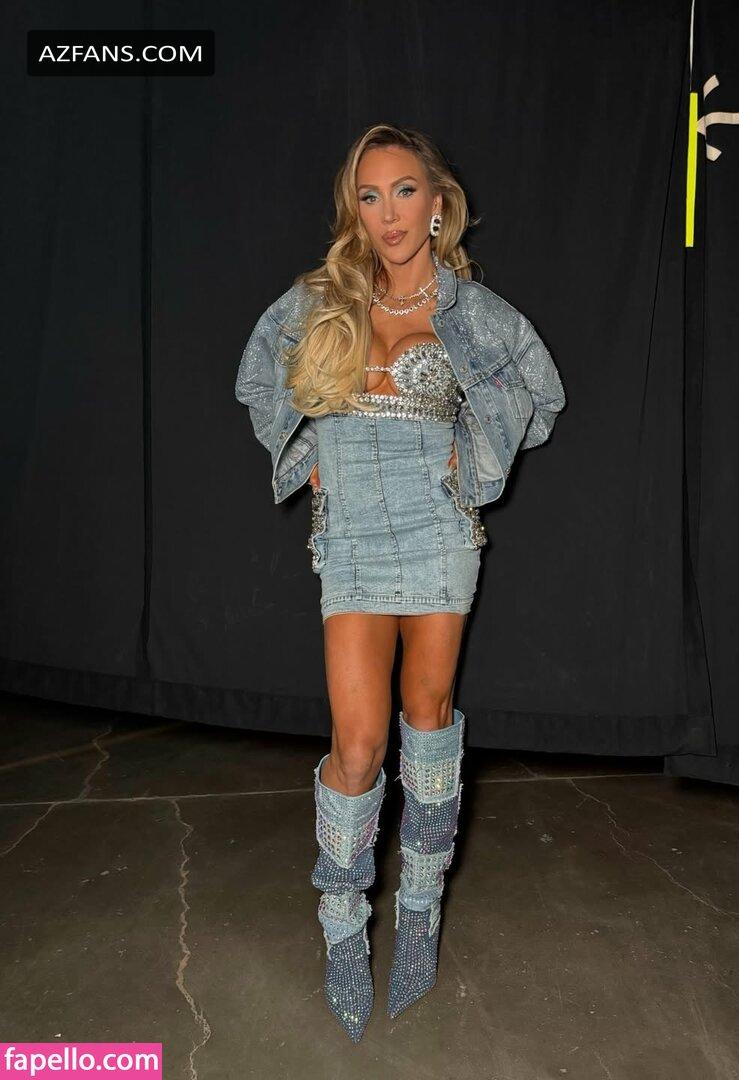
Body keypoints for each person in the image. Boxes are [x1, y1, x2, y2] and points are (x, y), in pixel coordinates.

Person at [235, 123, 566, 1042]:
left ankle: (418, 905)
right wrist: (307, 452)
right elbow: (258, 380)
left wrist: (475, 457)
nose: (389, 214)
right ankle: (343, 917)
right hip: (350, 542)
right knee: (358, 743)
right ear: (356, 207)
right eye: (370, 195)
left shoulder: (473, 313)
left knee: (428, 717)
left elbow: (540, 395)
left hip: (438, 533)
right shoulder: (321, 300)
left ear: (438, 202)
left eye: (405, 191)